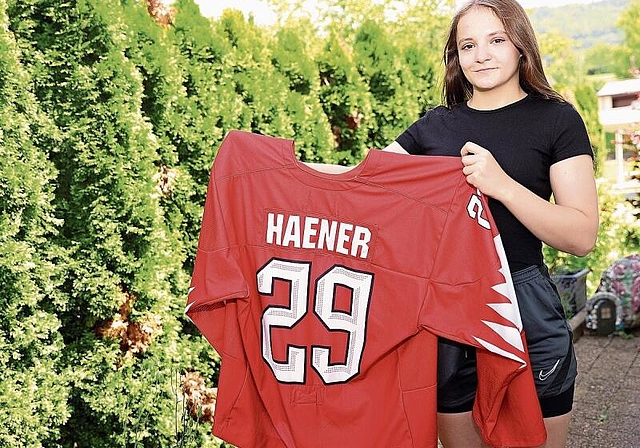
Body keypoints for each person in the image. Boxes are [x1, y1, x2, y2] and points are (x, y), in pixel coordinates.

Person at [384, 0, 599, 447]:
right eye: (468, 45)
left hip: (524, 305)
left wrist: (501, 184)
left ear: (521, 46)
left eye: (496, 40)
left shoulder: (557, 120)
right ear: (456, 58)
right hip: (445, 310)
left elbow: (581, 235)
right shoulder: (433, 127)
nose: (481, 54)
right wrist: (273, 166)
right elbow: (361, 185)